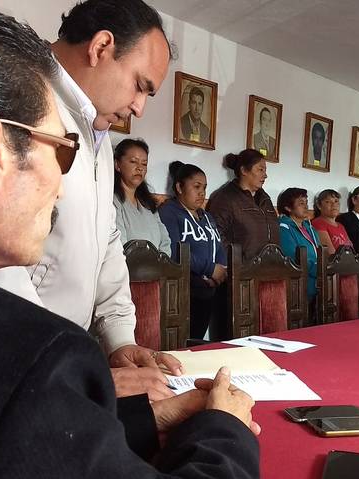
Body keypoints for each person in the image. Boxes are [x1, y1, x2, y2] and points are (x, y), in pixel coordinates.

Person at [0, 1, 260, 477]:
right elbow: (11, 396)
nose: (61, 190)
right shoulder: (11, 348)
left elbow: (10, 434)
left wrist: (130, 397)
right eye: (60, 151)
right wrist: (226, 428)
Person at [0, 0, 182, 401]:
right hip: (13, 368)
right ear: (101, 47)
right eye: (140, 85)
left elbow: (106, 238)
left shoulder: (99, 137)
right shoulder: (17, 95)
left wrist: (120, 339)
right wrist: (61, 369)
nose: (140, 108)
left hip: (58, 363)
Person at [206, 148, 279, 339]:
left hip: (267, 277)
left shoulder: (264, 198)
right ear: (244, 170)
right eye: (260, 169)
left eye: (265, 170)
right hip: (238, 277)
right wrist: (236, 263)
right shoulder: (225, 197)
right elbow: (216, 235)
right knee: (236, 335)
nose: (265, 175)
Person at [158, 162, 226, 339]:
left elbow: (218, 245)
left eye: (204, 188)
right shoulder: (169, 212)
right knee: (183, 342)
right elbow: (174, 250)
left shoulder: (206, 216)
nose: (202, 193)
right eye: (196, 187)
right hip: (184, 292)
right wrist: (210, 269)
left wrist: (220, 270)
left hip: (209, 291)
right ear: (179, 187)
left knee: (197, 340)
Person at [113, 138, 171, 255]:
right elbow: (118, 245)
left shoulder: (148, 203)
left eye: (144, 163)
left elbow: (165, 240)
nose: (140, 168)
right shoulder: (113, 201)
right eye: (133, 161)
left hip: (157, 266)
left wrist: (161, 263)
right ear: (117, 165)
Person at [277, 188, 321, 304]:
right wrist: (321, 270)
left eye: (306, 202)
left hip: (319, 284)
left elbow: (320, 252)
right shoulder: (283, 228)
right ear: (288, 207)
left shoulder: (309, 228)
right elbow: (294, 258)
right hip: (300, 288)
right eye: (301, 203)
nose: (306, 206)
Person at [311, 189, 353, 255]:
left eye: (336, 201)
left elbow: (351, 248)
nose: (334, 204)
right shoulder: (318, 223)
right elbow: (330, 253)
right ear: (319, 206)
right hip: (335, 261)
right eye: (328, 202)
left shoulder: (340, 225)